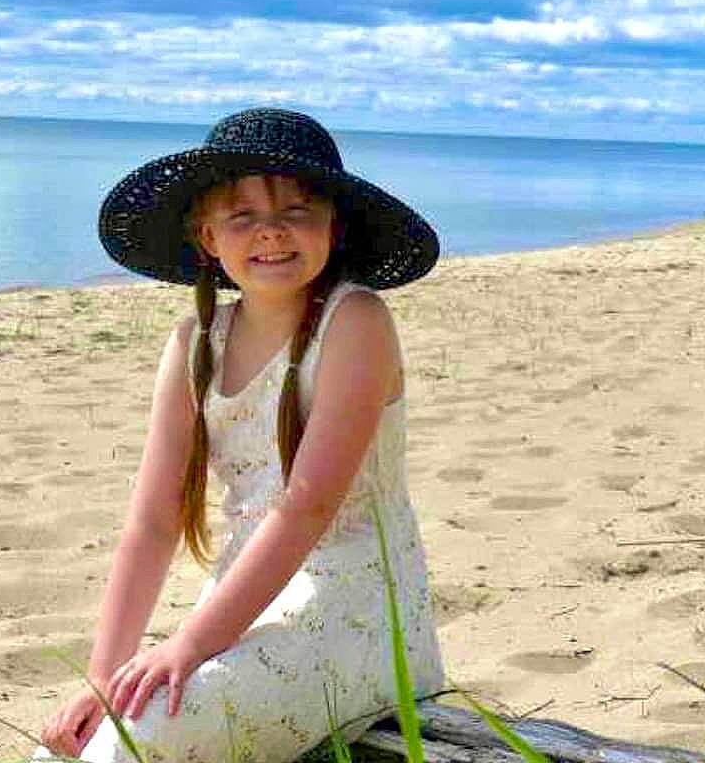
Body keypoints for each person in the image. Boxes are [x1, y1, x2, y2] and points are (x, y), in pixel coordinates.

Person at [34, 108, 445, 762]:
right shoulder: (195, 341)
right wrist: (103, 676)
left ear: (333, 228)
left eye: (296, 210)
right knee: (78, 741)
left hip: (353, 609)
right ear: (206, 237)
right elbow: (152, 522)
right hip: (244, 600)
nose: (272, 232)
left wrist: (192, 643)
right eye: (242, 215)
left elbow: (306, 506)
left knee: (131, 745)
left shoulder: (356, 321)